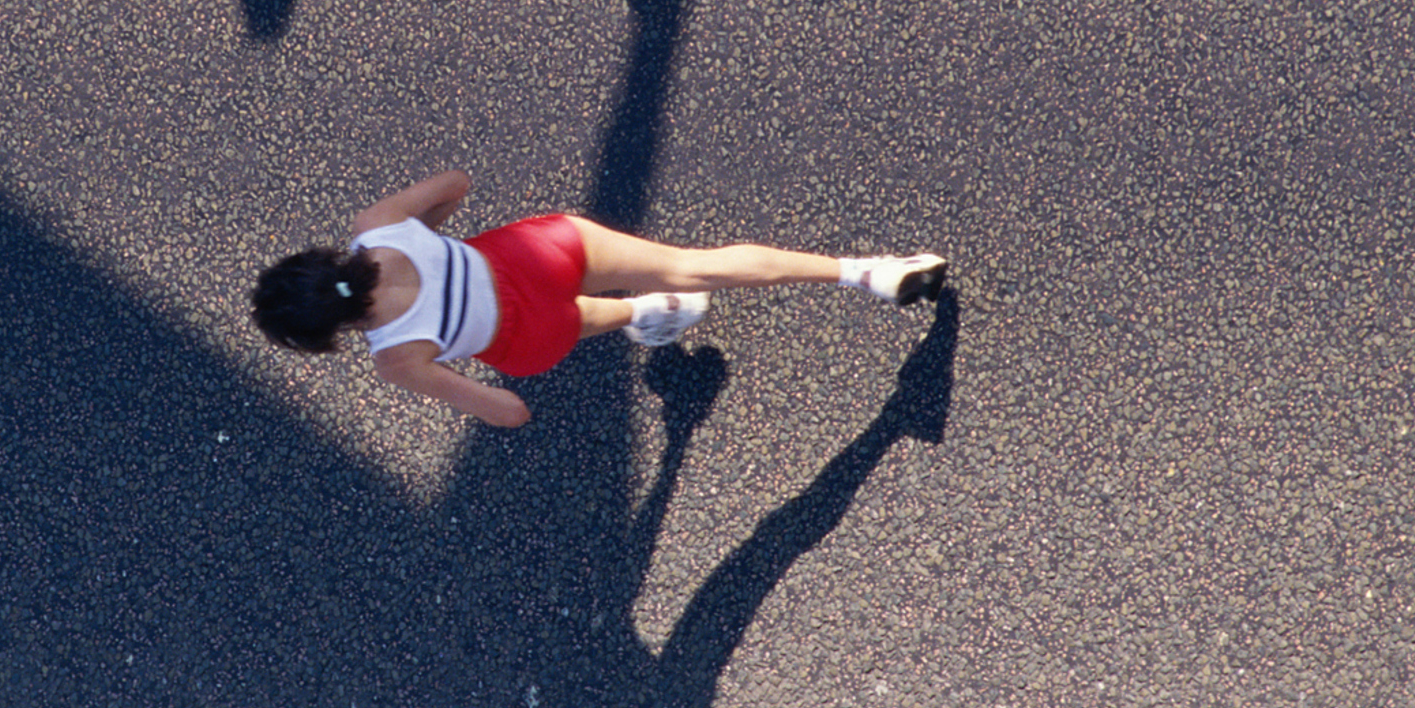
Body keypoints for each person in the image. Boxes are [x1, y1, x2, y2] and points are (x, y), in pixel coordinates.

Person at [250, 171, 945, 427]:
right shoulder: (376, 229)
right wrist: (432, 244)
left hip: (528, 331)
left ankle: (646, 316)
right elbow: (455, 182)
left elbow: (508, 411)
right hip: (538, 251)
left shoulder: (395, 358)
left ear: (328, 332)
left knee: (571, 322)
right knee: (692, 265)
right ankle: (866, 273)